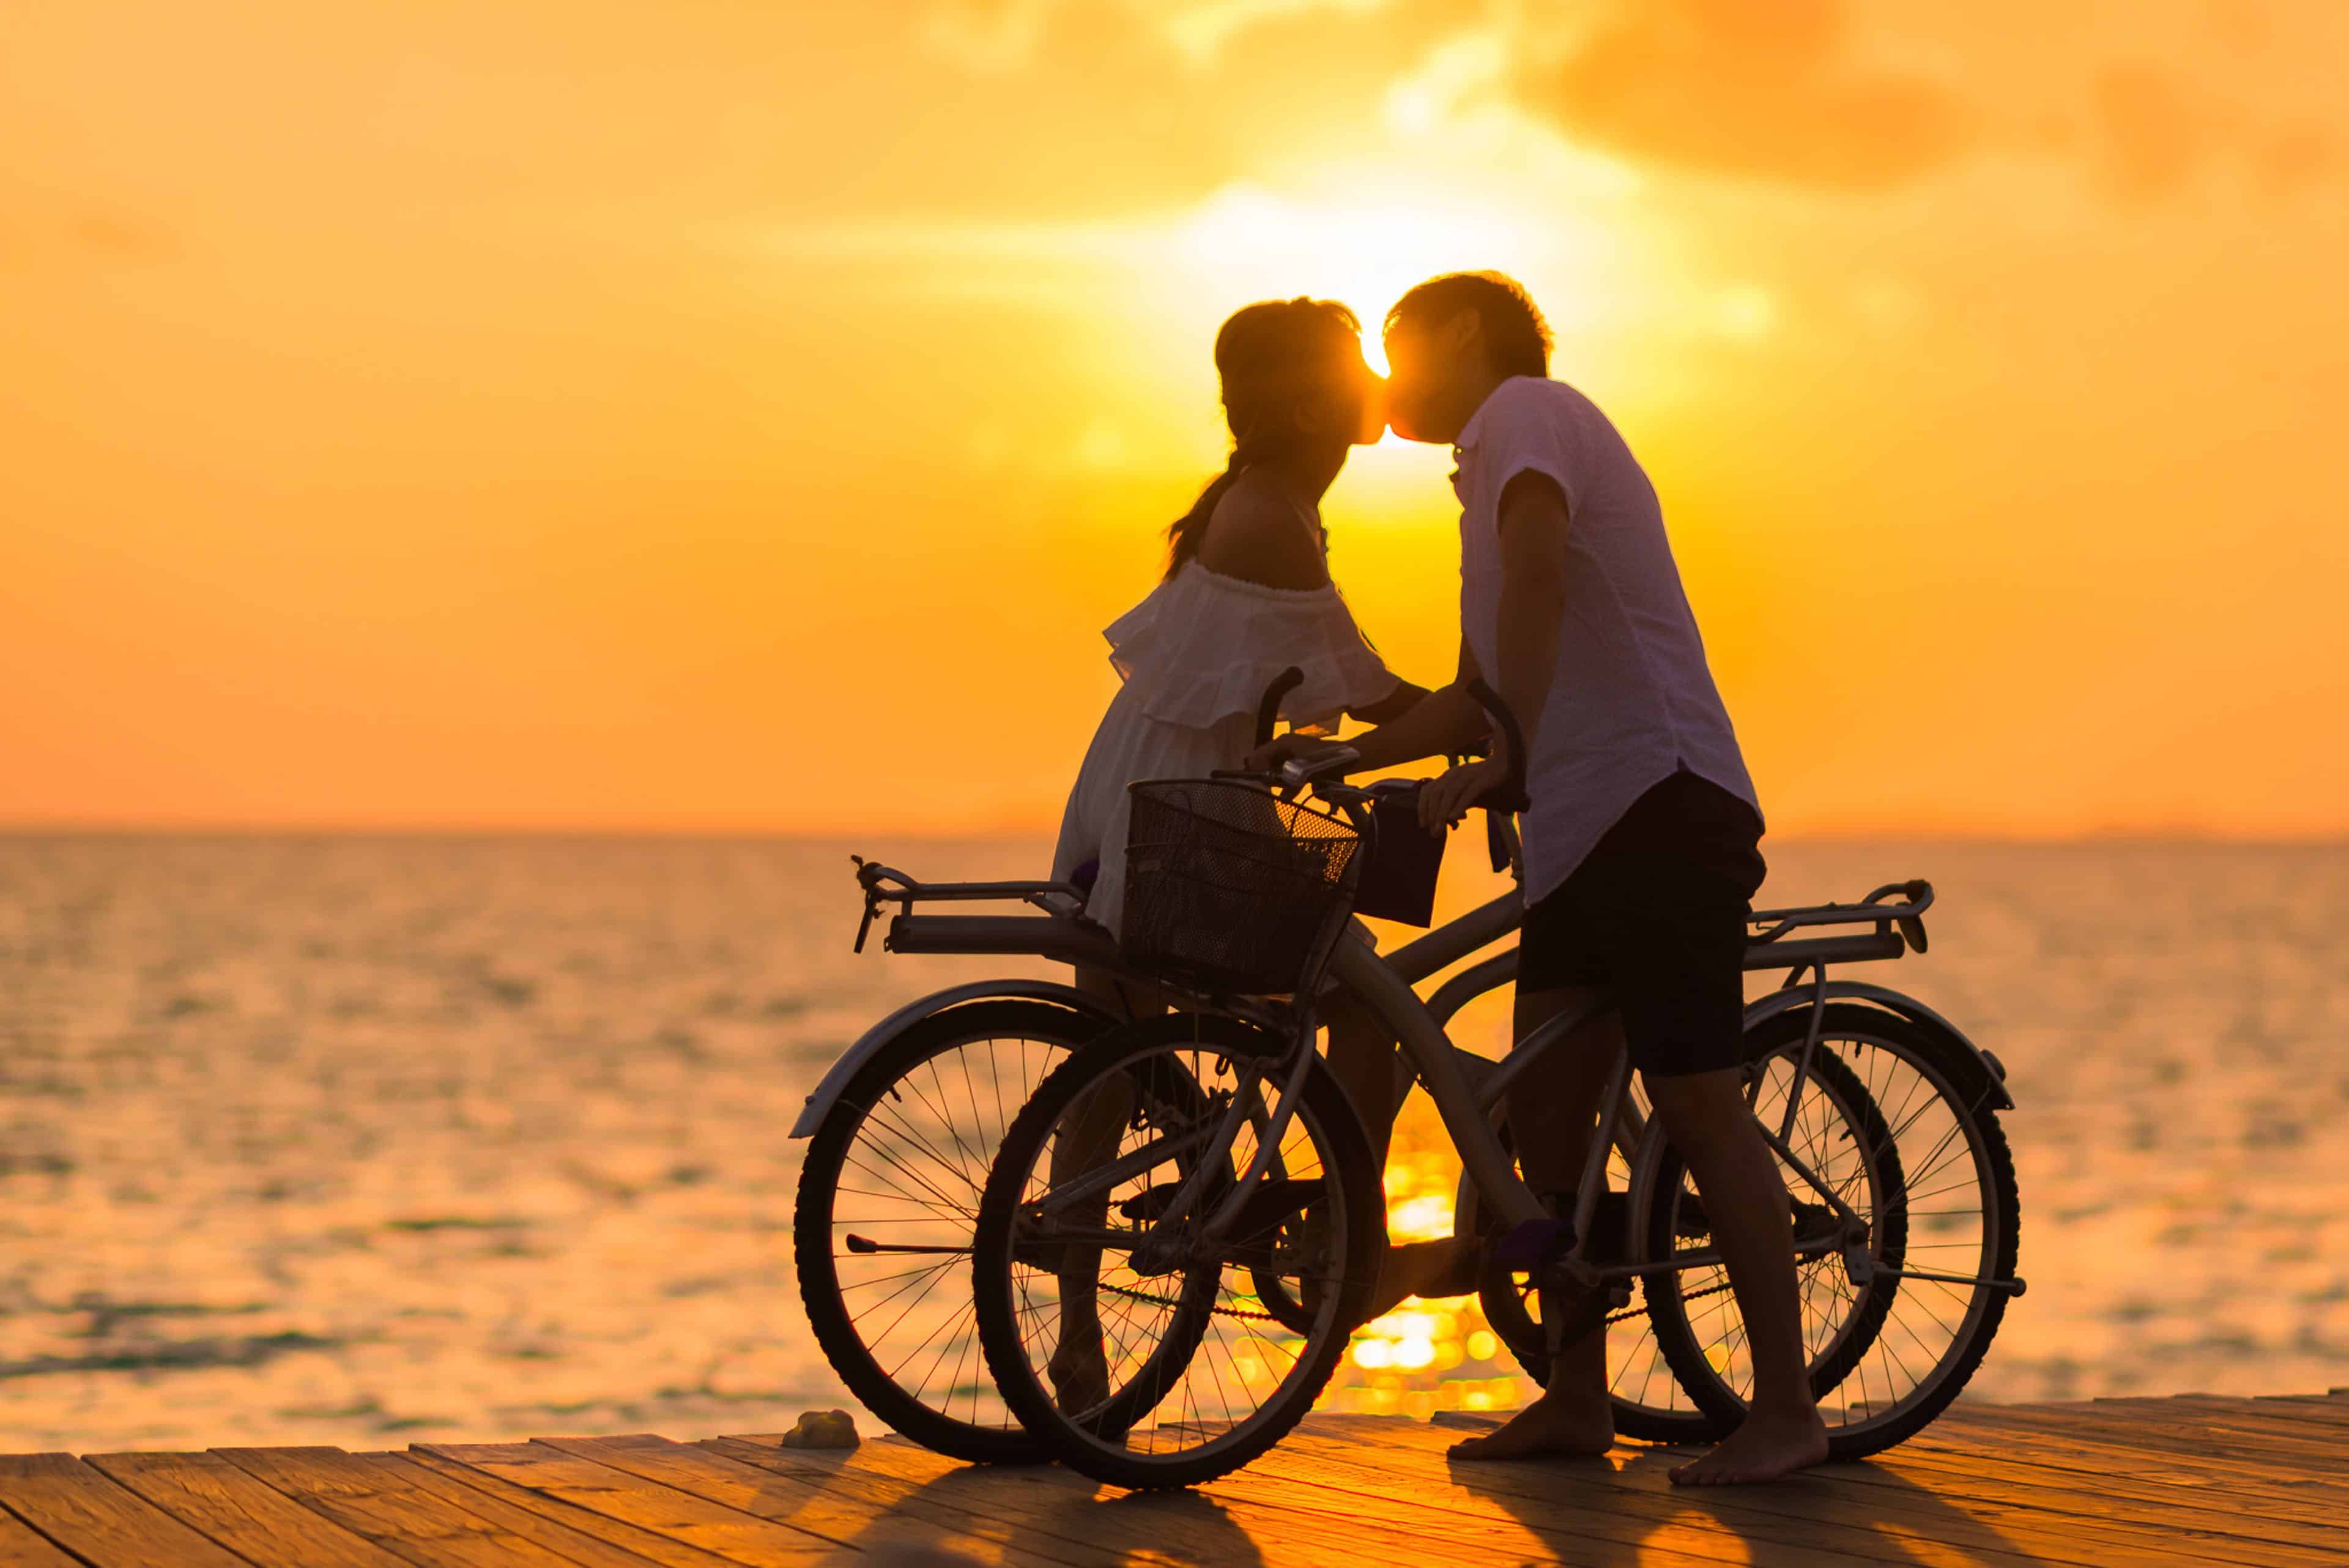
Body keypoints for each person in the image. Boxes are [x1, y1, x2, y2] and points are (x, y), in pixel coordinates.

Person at [1254, 272, 1827, 1485]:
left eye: (1400, 346)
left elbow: (1542, 580)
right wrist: (1353, 753)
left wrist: (1506, 742)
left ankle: (1786, 1410)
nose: (1387, 377)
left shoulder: (1526, 412)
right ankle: (1576, 1396)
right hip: (1576, 827)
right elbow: (1476, 688)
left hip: (1662, 800)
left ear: (1462, 333)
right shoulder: (1484, 478)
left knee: (1695, 1099)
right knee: (1550, 1123)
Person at [1044, 295, 1427, 1412]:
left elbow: (1297, 687)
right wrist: (1502, 721)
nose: (1377, 381)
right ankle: (1340, 1235)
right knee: (1372, 1013)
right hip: (1189, 823)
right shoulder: (1272, 517)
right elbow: (1368, 687)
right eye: (1359, 364)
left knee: (1108, 1065)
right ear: (1312, 397)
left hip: (1146, 802)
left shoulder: (1257, 503)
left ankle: (1076, 1345)